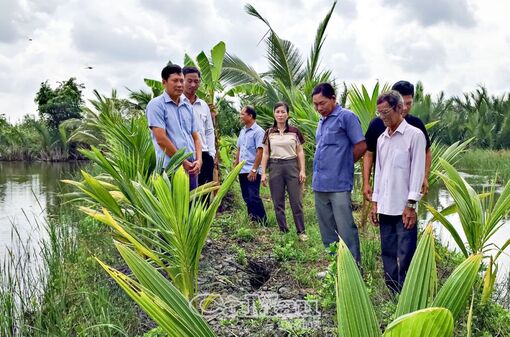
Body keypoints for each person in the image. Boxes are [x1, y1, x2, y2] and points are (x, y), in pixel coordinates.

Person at [370, 91, 426, 294]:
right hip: (385, 206)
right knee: (388, 251)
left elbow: (417, 172)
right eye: (379, 113)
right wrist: (375, 203)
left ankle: (407, 293)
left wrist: (411, 205)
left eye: (385, 112)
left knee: (406, 253)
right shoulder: (382, 139)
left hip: (404, 208)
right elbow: (379, 173)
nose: (382, 117)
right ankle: (393, 291)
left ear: (399, 109)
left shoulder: (414, 136)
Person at [312, 83, 366, 262]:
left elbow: (361, 145)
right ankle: (335, 268)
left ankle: (354, 269)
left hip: (339, 185)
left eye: (323, 103)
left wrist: (344, 164)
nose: (319, 108)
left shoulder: (346, 117)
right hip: (320, 184)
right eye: (316, 104)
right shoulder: (321, 121)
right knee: (327, 230)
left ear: (334, 99)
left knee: (345, 229)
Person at [363, 80, 431, 202]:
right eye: (402, 104)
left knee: (407, 217)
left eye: (409, 103)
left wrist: (424, 177)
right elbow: (369, 154)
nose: (404, 108)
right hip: (384, 188)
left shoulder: (416, 126)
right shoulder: (377, 125)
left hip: (407, 190)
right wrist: (366, 182)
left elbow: (426, 152)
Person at [146, 64, 202, 190]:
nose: (179, 84)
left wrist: (199, 160)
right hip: (170, 168)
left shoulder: (187, 106)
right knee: (173, 208)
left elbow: (196, 138)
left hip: (192, 167)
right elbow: (161, 139)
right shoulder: (156, 105)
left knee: (191, 207)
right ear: (164, 82)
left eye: (181, 80)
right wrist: (183, 162)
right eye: (175, 81)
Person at [260, 102, 307, 241]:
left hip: (292, 165)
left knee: (296, 200)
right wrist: (263, 172)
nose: (280, 115)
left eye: (283, 112)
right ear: (274, 114)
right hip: (275, 166)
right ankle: (283, 230)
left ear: (288, 114)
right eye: (277, 112)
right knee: (277, 201)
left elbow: (300, 151)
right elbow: (265, 154)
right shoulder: (269, 132)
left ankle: (301, 231)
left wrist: (302, 170)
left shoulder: (295, 131)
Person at [181, 66, 216, 186]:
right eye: (189, 81)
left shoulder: (203, 105)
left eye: (196, 81)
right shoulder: (176, 103)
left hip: (205, 155)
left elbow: (209, 130)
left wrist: (211, 153)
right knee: (186, 195)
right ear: (182, 80)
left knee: (204, 196)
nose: (193, 84)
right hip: (185, 155)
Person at [235, 106, 267, 223]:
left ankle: (263, 220)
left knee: (253, 196)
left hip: (252, 170)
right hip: (242, 169)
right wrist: (235, 168)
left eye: (243, 114)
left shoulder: (259, 132)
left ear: (250, 116)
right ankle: (252, 219)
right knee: (246, 197)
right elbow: (239, 150)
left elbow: (260, 151)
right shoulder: (242, 131)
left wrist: (254, 170)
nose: (241, 116)